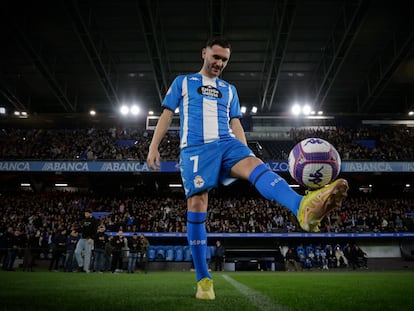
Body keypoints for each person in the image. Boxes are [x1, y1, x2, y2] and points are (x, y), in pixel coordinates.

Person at [147, 36, 349, 300]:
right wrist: (154, 146)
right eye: (216, 57)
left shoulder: (229, 89)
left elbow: (236, 122)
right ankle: (203, 280)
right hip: (195, 148)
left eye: (224, 60)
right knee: (197, 204)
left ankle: (302, 208)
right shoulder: (183, 82)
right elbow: (166, 114)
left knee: (257, 166)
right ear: (204, 53)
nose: (219, 63)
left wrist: (244, 150)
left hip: (227, 143)